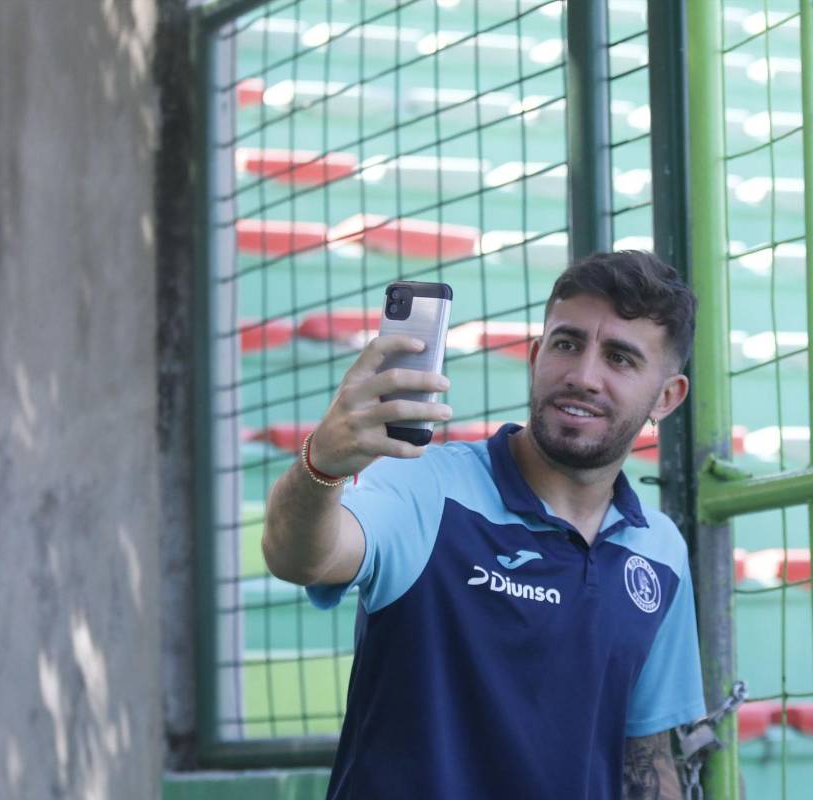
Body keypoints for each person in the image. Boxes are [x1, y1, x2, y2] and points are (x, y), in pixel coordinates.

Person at [262, 251, 706, 799]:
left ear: (667, 397)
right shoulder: (425, 487)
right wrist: (321, 465)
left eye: (620, 358)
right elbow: (298, 556)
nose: (583, 376)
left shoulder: (659, 553)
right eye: (567, 345)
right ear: (537, 355)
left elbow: (648, 757)